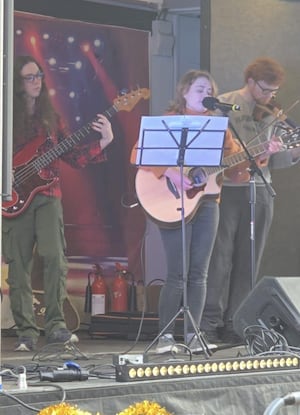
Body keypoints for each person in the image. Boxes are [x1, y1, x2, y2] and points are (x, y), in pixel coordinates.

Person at [2, 55, 114, 351]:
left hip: (49, 195)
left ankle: (55, 325)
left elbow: (73, 157)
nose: (36, 81)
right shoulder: (6, 117)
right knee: (18, 267)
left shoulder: (52, 119)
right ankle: (26, 330)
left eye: (38, 75)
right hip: (12, 197)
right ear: (16, 83)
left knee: (55, 258)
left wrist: (103, 141)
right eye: (29, 77)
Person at [131, 70, 242, 353]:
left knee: (199, 273)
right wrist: (170, 171)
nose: (206, 94)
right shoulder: (168, 122)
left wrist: (264, 152)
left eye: (209, 90)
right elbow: (138, 154)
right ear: (184, 92)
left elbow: (237, 166)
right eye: (200, 89)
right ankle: (166, 336)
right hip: (171, 198)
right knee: (177, 274)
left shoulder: (220, 128)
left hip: (207, 201)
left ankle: (194, 334)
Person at [201, 57, 300, 344]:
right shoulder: (224, 103)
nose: (270, 97)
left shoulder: (273, 114)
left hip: (259, 189)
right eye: (266, 90)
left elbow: (276, 161)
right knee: (219, 259)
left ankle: (237, 321)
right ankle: (210, 321)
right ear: (250, 81)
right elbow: (211, 147)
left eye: (274, 92)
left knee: (249, 259)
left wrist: (291, 152)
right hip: (226, 189)